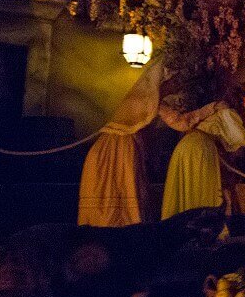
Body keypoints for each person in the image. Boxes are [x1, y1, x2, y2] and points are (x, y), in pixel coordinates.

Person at [78, 61, 217, 226]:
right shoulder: (149, 101)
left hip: (108, 149)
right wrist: (210, 109)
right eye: (174, 82)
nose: (176, 86)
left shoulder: (143, 98)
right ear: (163, 82)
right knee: (120, 193)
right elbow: (181, 123)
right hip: (120, 151)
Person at [161, 83, 245, 220]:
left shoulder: (221, 108)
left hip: (191, 145)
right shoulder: (226, 111)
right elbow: (239, 137)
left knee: (192, 187)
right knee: (201, 189)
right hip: (200, 148)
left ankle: (187, 222)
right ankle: (200, 223)